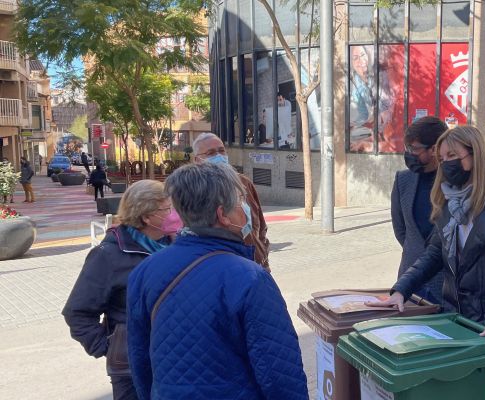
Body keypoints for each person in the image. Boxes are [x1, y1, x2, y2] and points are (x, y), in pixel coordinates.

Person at [369, 126, 485, 400]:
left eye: (452, 155)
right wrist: (401, 289)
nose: (446, 163)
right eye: (441, 157)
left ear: (475, 155)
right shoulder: (450, 200)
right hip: (460, 326)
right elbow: (434, 254)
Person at [126, 162, 308, 400]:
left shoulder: (144, 271)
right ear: (223, 215)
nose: (245, 210)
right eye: (239, 201)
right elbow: (280, 373)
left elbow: (139, 360)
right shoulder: (250, 278)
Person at [63, 180, 173, 400]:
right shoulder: (108, 255)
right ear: (147, 216)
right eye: (167, 209)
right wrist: (111, 348)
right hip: (131, 369)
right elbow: (77, 312)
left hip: (174, 359)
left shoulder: (174, 245)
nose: (173, 214)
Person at [390, 116, 448, 304]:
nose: (409, 154)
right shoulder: (403, 180)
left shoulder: (456, 180)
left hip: (446, 284)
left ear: (434, 149)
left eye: (414, 149)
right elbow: (401, 230)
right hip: (409, 283)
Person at [193, 133, 270, 270]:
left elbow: (260, 226)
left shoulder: (244, 183)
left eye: (221, 150)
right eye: (211, 153)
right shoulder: (193, 191)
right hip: (224, 269)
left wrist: (263, 256)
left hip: (256, 266)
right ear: (197, 160)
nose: (219, 156)